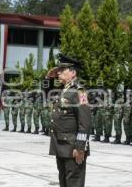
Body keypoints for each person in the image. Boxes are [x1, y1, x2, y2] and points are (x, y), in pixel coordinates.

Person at [47, 54, 91, 187]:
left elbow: (85, 122)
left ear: (72, 73)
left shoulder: (79, 92)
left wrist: (80, 147)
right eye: (58, 70)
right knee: (64, 182)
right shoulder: (62, 91)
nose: (58, 72)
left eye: (62, 70)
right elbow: (45, 94)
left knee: (74, 182)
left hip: (72, 147)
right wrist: (48, 78)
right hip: (60, 146)